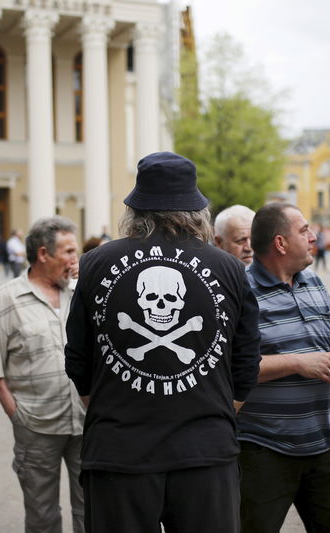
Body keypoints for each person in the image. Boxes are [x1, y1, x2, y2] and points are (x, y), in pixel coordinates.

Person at [65, 151, 261, 533]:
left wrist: (115, 404)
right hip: (205, 454)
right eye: (151, 299)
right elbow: (246, 364)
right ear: (196, 210)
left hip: (118, 454)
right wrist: (212, 410)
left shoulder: (94, 264)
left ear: (135, 209)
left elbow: (77, 361)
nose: (160, 305)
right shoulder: (231, 269)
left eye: (168, 299)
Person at [238, 202, 330, 533]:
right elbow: (232, 366)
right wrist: (298, 363)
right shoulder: (241, 292)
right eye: (304, 230)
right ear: (280, 243)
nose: (314, 236)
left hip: (325, 443)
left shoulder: (313, 280)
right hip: (264, 450)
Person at [0, 215, 85, 533]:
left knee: (91, 511)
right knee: (42, 515)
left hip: (85, 424)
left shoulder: (80, 292)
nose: (74, 259)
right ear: (43, 254)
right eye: (68, 251)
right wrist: (18, 417)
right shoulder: (7, 299)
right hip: (36, 427)